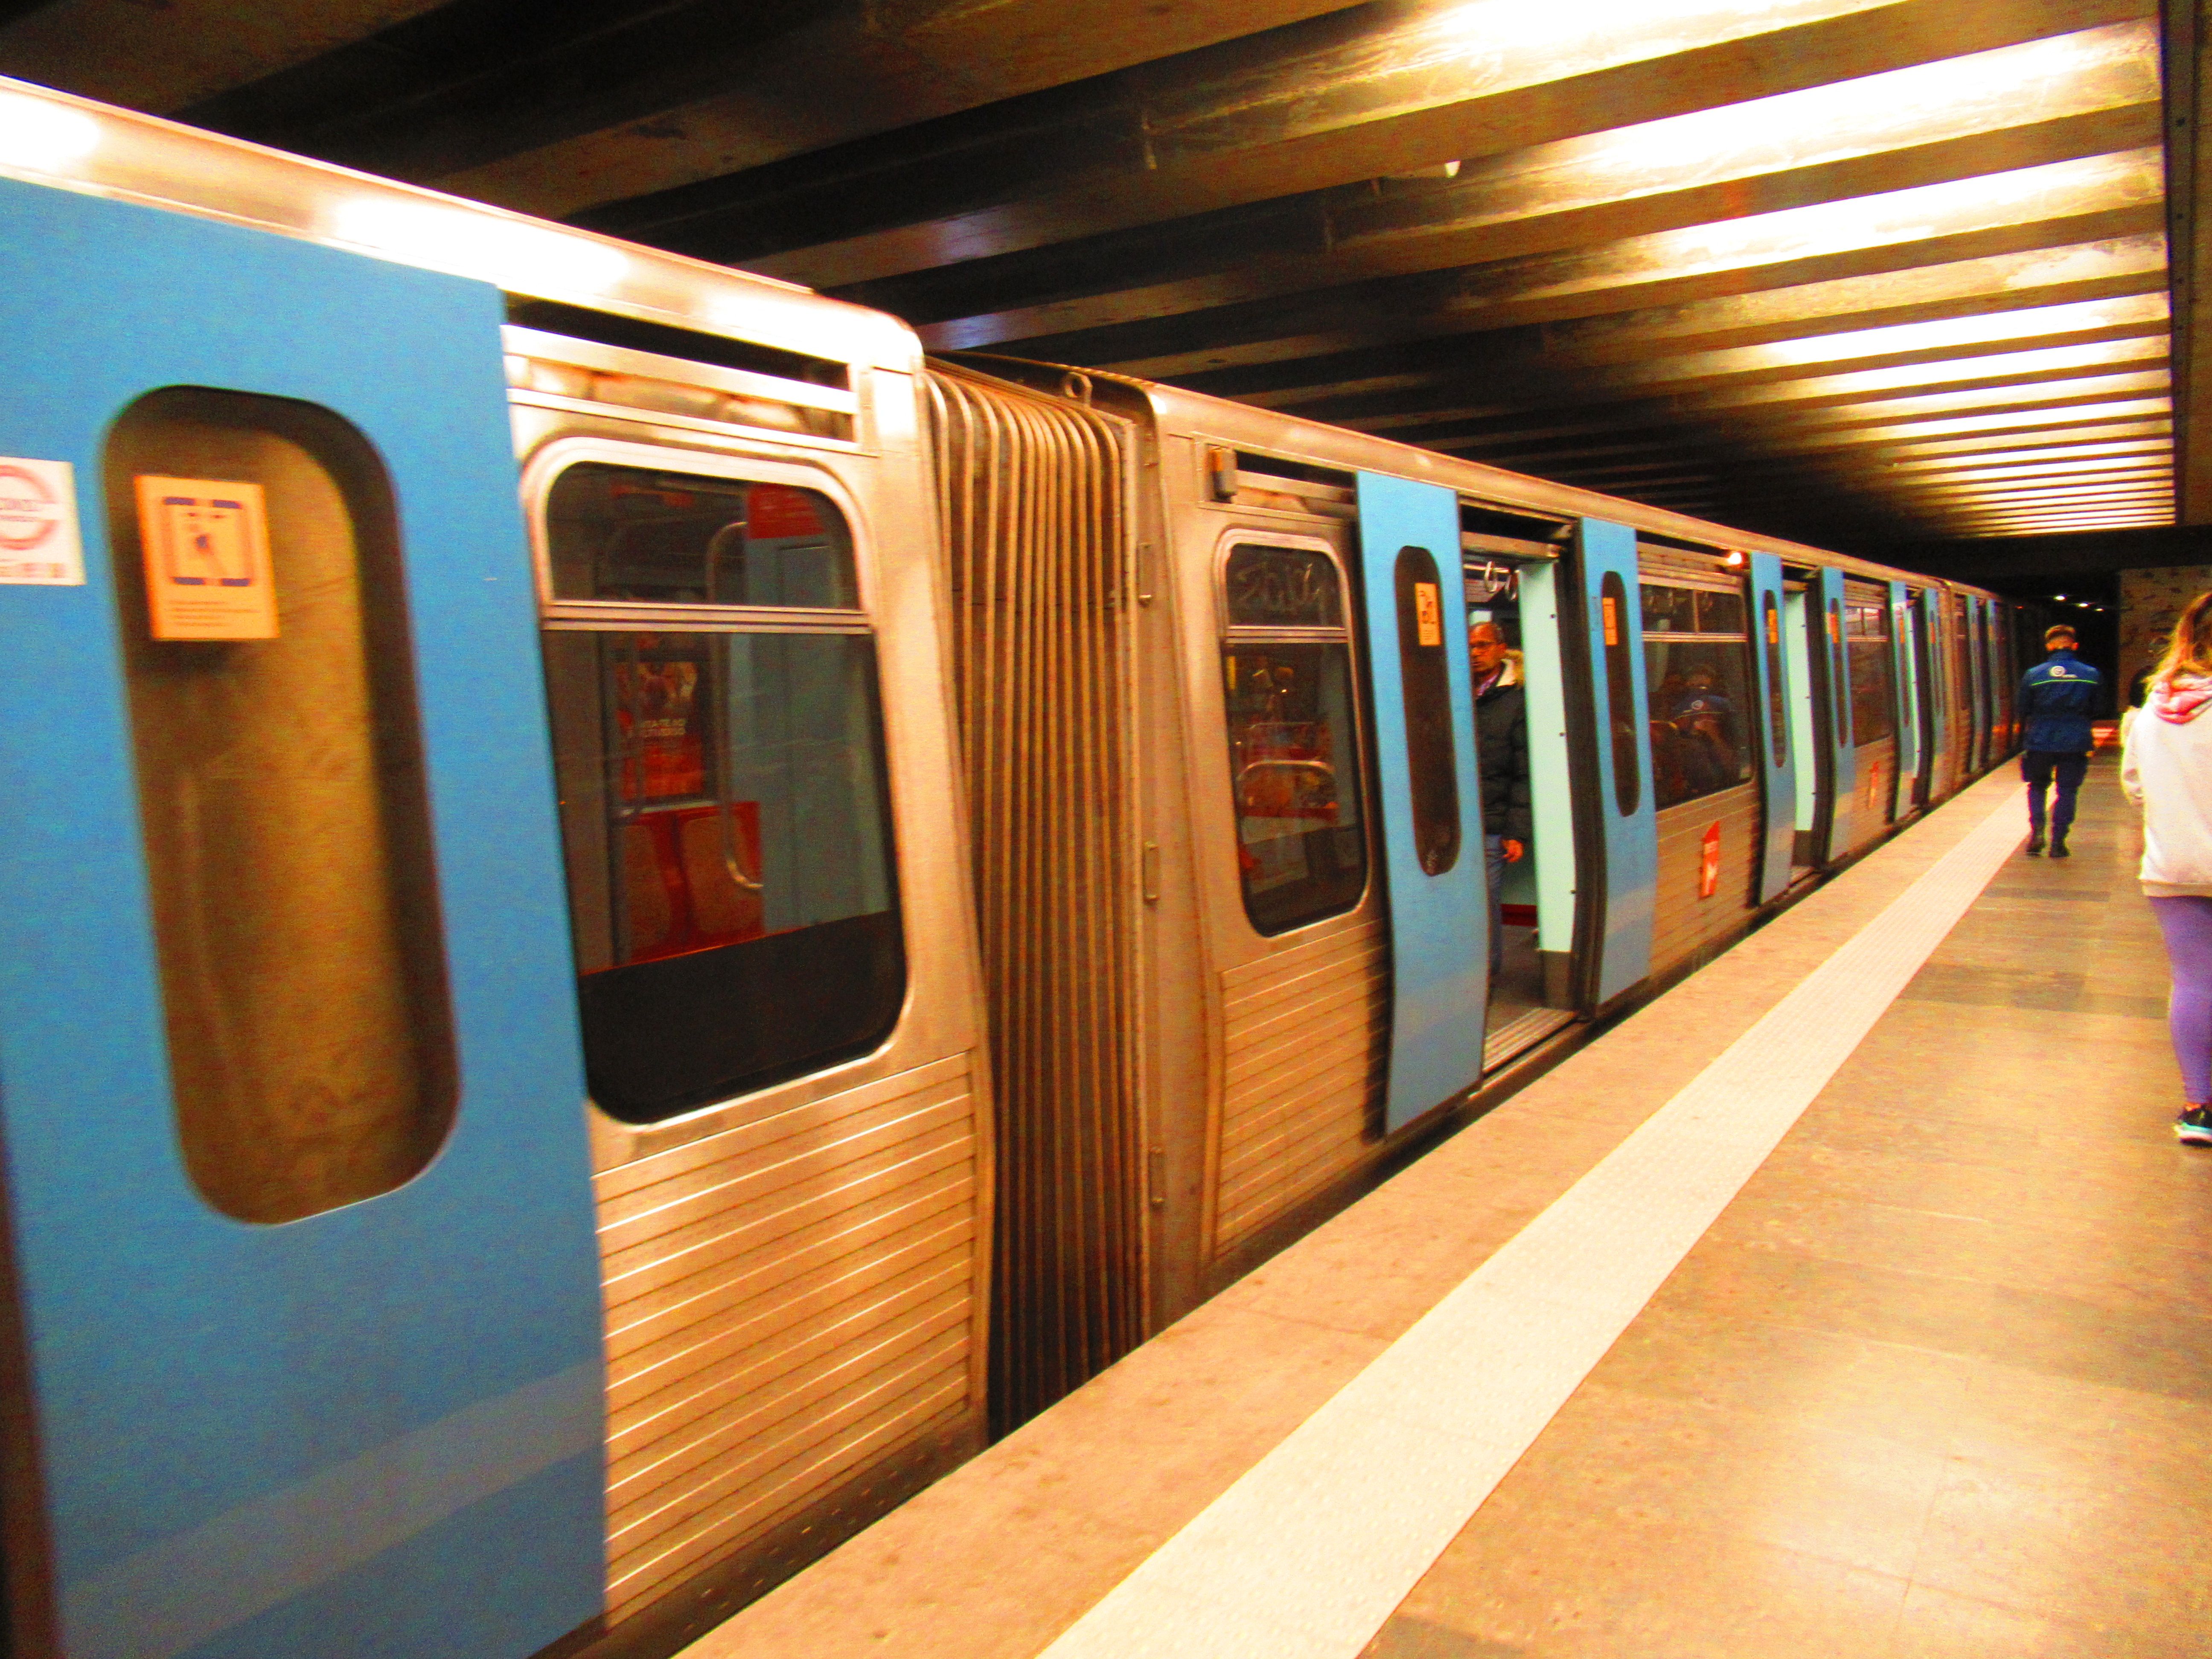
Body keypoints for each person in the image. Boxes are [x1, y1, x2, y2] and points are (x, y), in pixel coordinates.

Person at [2120, 592, 2212, 1146]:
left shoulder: (2154, 706)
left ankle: (2199, 1107)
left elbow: (2135, 786)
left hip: (2172, 866)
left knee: (2196, 983)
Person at [1469, 621, 1531, 978]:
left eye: (1484, 646)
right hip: (1461, 821)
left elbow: (1524, 770)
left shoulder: (1515, 699)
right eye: (1471, 647)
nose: (1476, 654)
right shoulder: (1457, 692)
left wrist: (1516, 832)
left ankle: (1487, 974)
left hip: (1495, 821)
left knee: (1486, 900)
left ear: (1501, 648)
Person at [2016, 623, 2101, 857]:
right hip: (2076, 740)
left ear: (2049, 646)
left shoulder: (2034, 675)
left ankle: (2037, 833)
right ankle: (2059, 842)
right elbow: (2097, 708)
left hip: (2040, 739)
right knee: (2068, 790)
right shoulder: (2091, 675)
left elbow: (2023, 709)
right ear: (2075, 646)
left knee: (2038, 786)